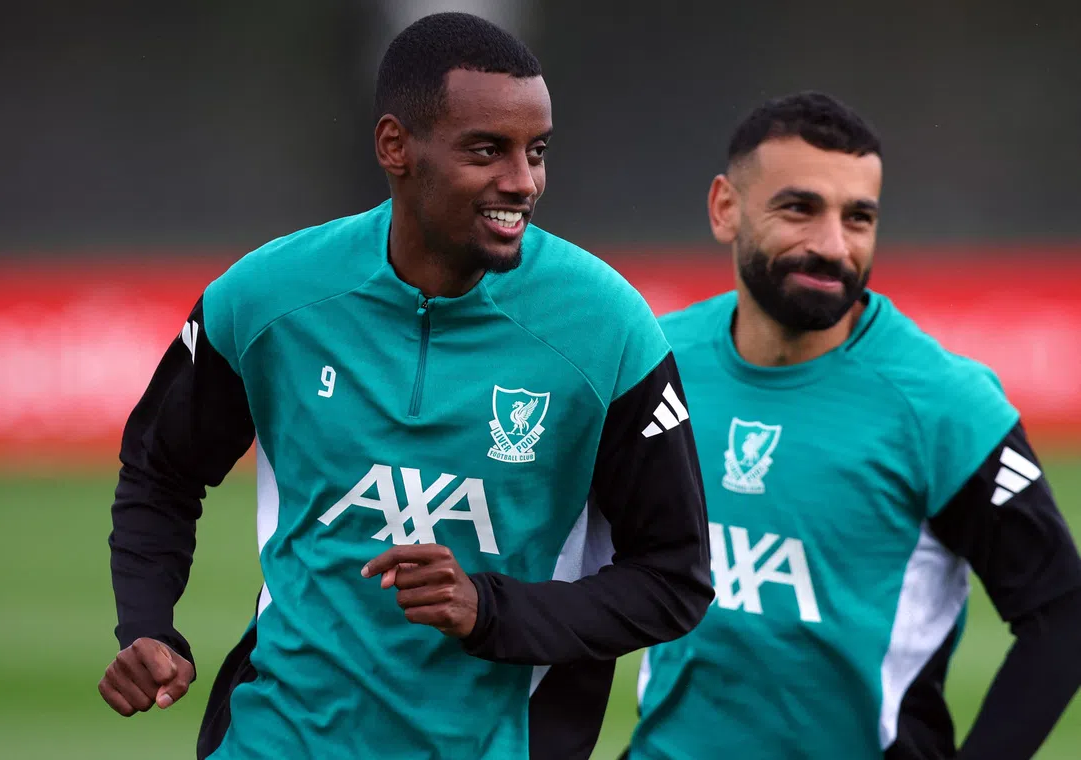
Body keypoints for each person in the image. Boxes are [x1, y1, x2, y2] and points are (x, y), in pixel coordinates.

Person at [97, 12, 713, 760]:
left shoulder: (608, 329)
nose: (522, 182)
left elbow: (675, 579)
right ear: (396, 147)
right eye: (488, 150)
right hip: (274, 739)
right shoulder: (267, 298)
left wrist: (491, 609)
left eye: (537, 151)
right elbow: (161, 471)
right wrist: (148, 626)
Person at [624, 91, 1081, 759]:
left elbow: (1061, 613)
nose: (832, 246)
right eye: (800, 209)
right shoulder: (654, 363)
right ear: (726, 208)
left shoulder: (944, 403)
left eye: (858, 217)